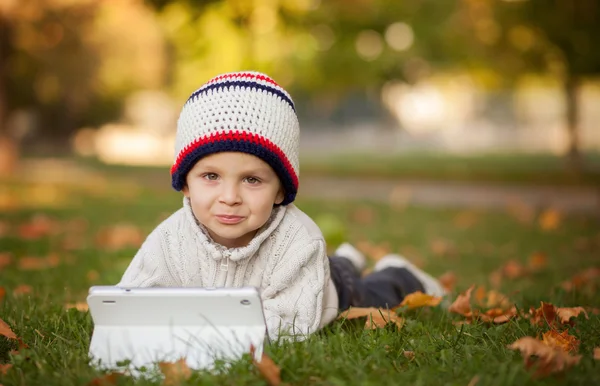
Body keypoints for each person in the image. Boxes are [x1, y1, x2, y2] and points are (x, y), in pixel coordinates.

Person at [117, 71, 446, 341]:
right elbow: (130, 298)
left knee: (369, 291)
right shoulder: (171, 238)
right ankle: (347, 257)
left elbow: (293, 323)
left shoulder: (298, 240)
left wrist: (211, 336)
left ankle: (400, 272)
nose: (229, 196)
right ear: (186, 183)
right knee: (337, 263)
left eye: (252, 180)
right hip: (302, 272)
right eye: (211, 176)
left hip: (326, 292)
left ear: (280, 191)